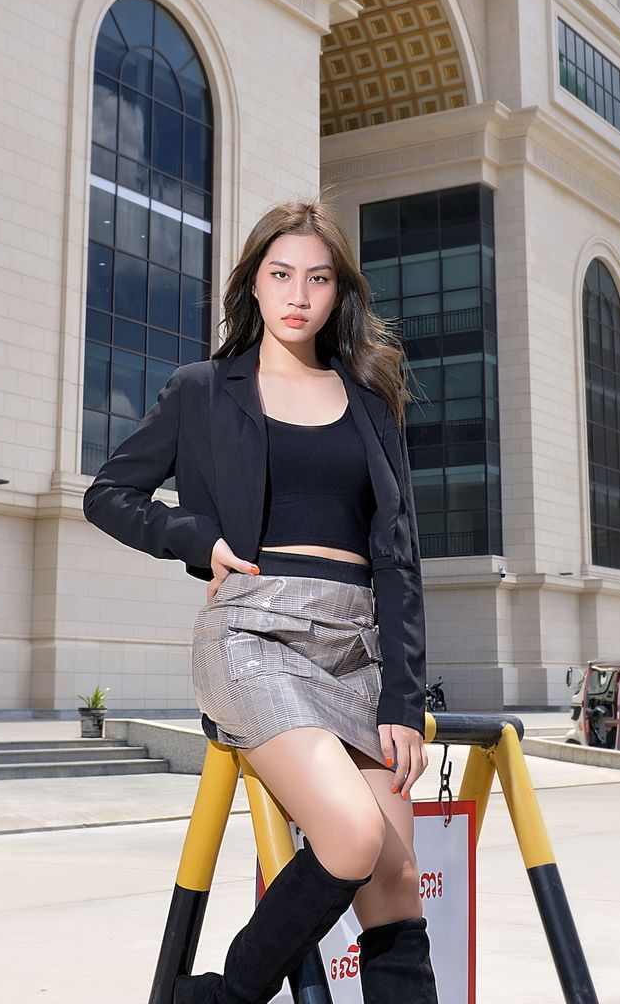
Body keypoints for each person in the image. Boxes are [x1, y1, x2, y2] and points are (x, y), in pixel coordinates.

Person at [85, 199, 435, 1004]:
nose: (299, 294)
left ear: (337, 293)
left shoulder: (372, 399)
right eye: (281, 275)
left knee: (397, 872)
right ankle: (221, 999)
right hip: (253, 635)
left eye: (317, 278)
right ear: (253, 284)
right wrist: (194, 538)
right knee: (349, 835)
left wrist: (404, 699)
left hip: (357, 648)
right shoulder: (204, 389)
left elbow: (399, 557)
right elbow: (108, 493)